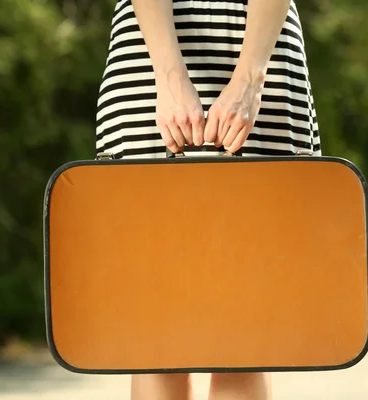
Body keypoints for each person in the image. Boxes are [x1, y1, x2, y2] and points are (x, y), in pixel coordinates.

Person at [95, 0, 320, 398]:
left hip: (261, 43)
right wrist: (167, 75)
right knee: (153, 331)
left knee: (247, 332)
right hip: (148, 46)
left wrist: (251, 77)